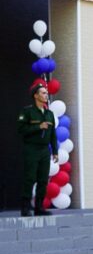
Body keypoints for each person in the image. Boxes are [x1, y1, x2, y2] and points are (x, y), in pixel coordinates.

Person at [17, 83, 58, 217]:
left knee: (43, 179)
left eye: (46, 93)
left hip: (44, 150)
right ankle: (25, 207)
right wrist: (38, 127)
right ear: (36, 95)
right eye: (43, 93)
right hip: (31, 148)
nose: (46, 95)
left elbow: (53, 134)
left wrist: (55, 151)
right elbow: (21, 130)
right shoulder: (27, 111)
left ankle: (39, 207)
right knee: (30, 178)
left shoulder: (49, 114)